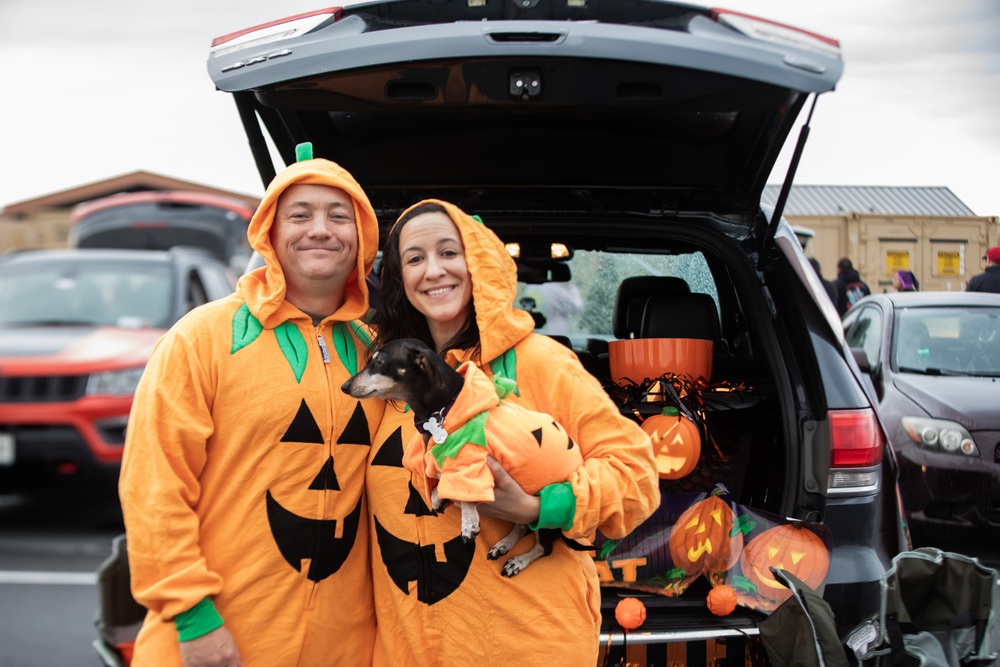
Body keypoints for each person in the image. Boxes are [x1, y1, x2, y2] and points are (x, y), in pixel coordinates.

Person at [119, 145, 383, 667]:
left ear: (362, 238)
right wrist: (191, 615)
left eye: (339, 216)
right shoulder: (203, 337)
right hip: (219, 640)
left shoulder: (377, 354)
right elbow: (155, 485)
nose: (320, 230)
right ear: (270, 232)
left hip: (344, 647)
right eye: (300, 215)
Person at [366, 199, 660, 666]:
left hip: (526, 643)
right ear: (399, 278)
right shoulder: (386, 378)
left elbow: (636, 475)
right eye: (415, 258)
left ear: (477, 260)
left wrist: (537, 507)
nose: (434, 270)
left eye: (449, 251)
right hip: (414, 647)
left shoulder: (540, 361)